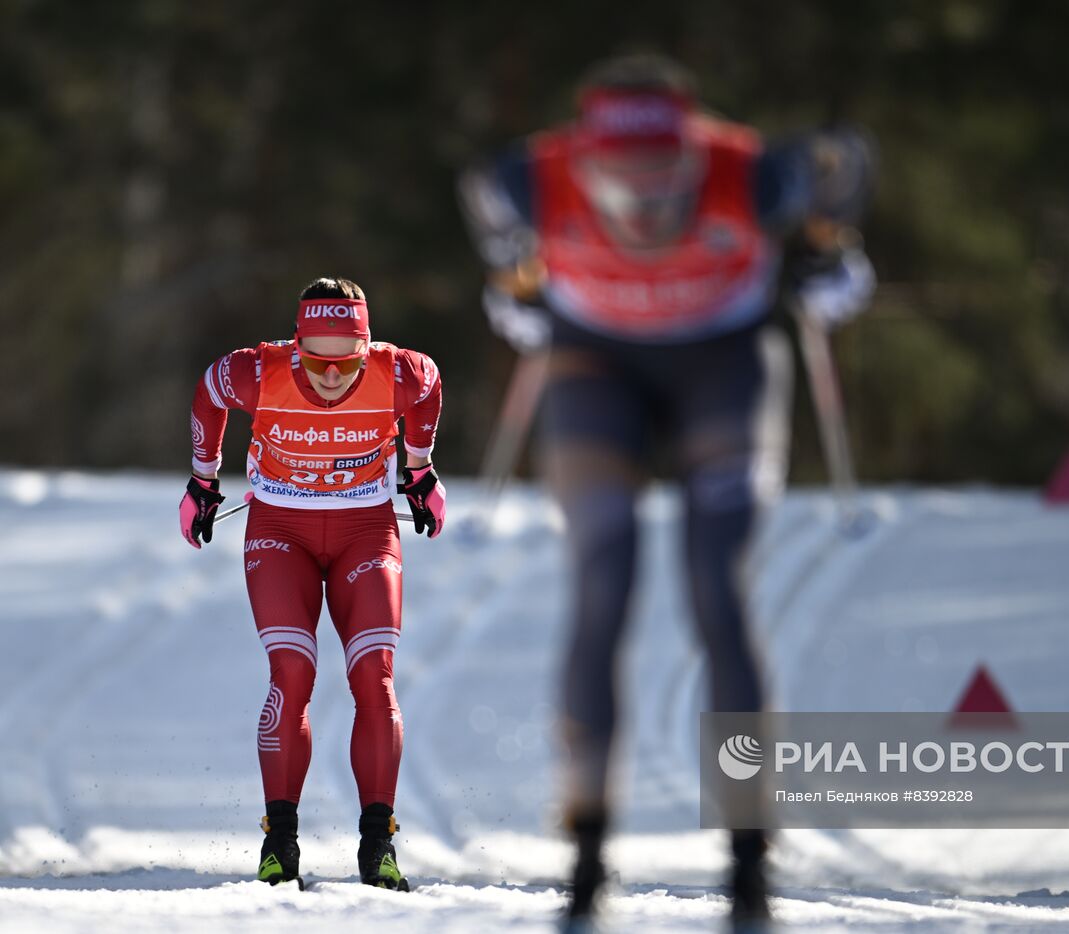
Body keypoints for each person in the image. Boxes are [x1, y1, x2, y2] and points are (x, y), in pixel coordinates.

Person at [459, 53, 874, 928]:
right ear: (586, 156)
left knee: (717, 588)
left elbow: (843, 164)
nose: (644, 205)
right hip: (596, 361)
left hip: (722, 360)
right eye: (620, 181)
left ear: (691, 151)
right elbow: (488, 199)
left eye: (664, 180)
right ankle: (587, 849)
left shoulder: (750, 171)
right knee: (602, 580)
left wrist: (829, 253)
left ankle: (749, 852)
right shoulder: (534, 176)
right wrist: (512, 276)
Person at [180, 277, 447, 890]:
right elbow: (208, 392)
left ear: (367, 348)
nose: (330, 375)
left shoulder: (400, 373)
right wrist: (203, 479)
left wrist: (419, 466)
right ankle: (279, 841)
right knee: (292, 672)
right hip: (280, 531)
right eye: (316, 360)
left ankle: (378, 843)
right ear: (295, 345)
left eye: (347, 362)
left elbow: (430, 388)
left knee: (374, 674)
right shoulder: (257, 371)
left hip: (365, 532)